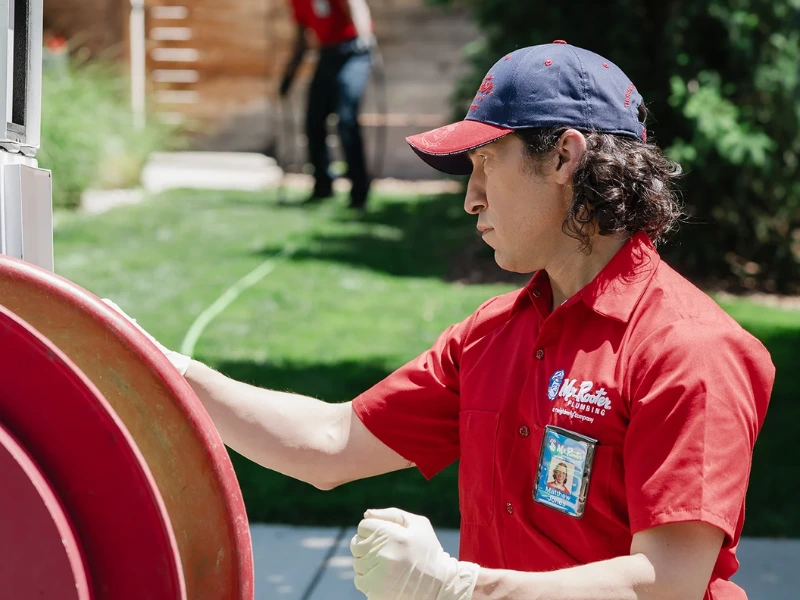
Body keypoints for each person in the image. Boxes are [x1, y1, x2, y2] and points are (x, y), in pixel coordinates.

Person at [107, 41, 775, 600]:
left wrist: (459, 587)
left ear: (566, 157)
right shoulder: (492, 335)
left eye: (486, 163)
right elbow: (329, 444)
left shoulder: (689, 349)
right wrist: (167, 369)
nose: (470, 197)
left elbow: (668, 582)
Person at [279, 0, 375, 209]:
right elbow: (302, 38)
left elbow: (356, 5)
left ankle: (359, 192)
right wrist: (289, 75)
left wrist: (364, 38)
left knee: (346, 121)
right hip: (327, 53)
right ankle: (322, 187)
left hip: (353, 52)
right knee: (313, 121)